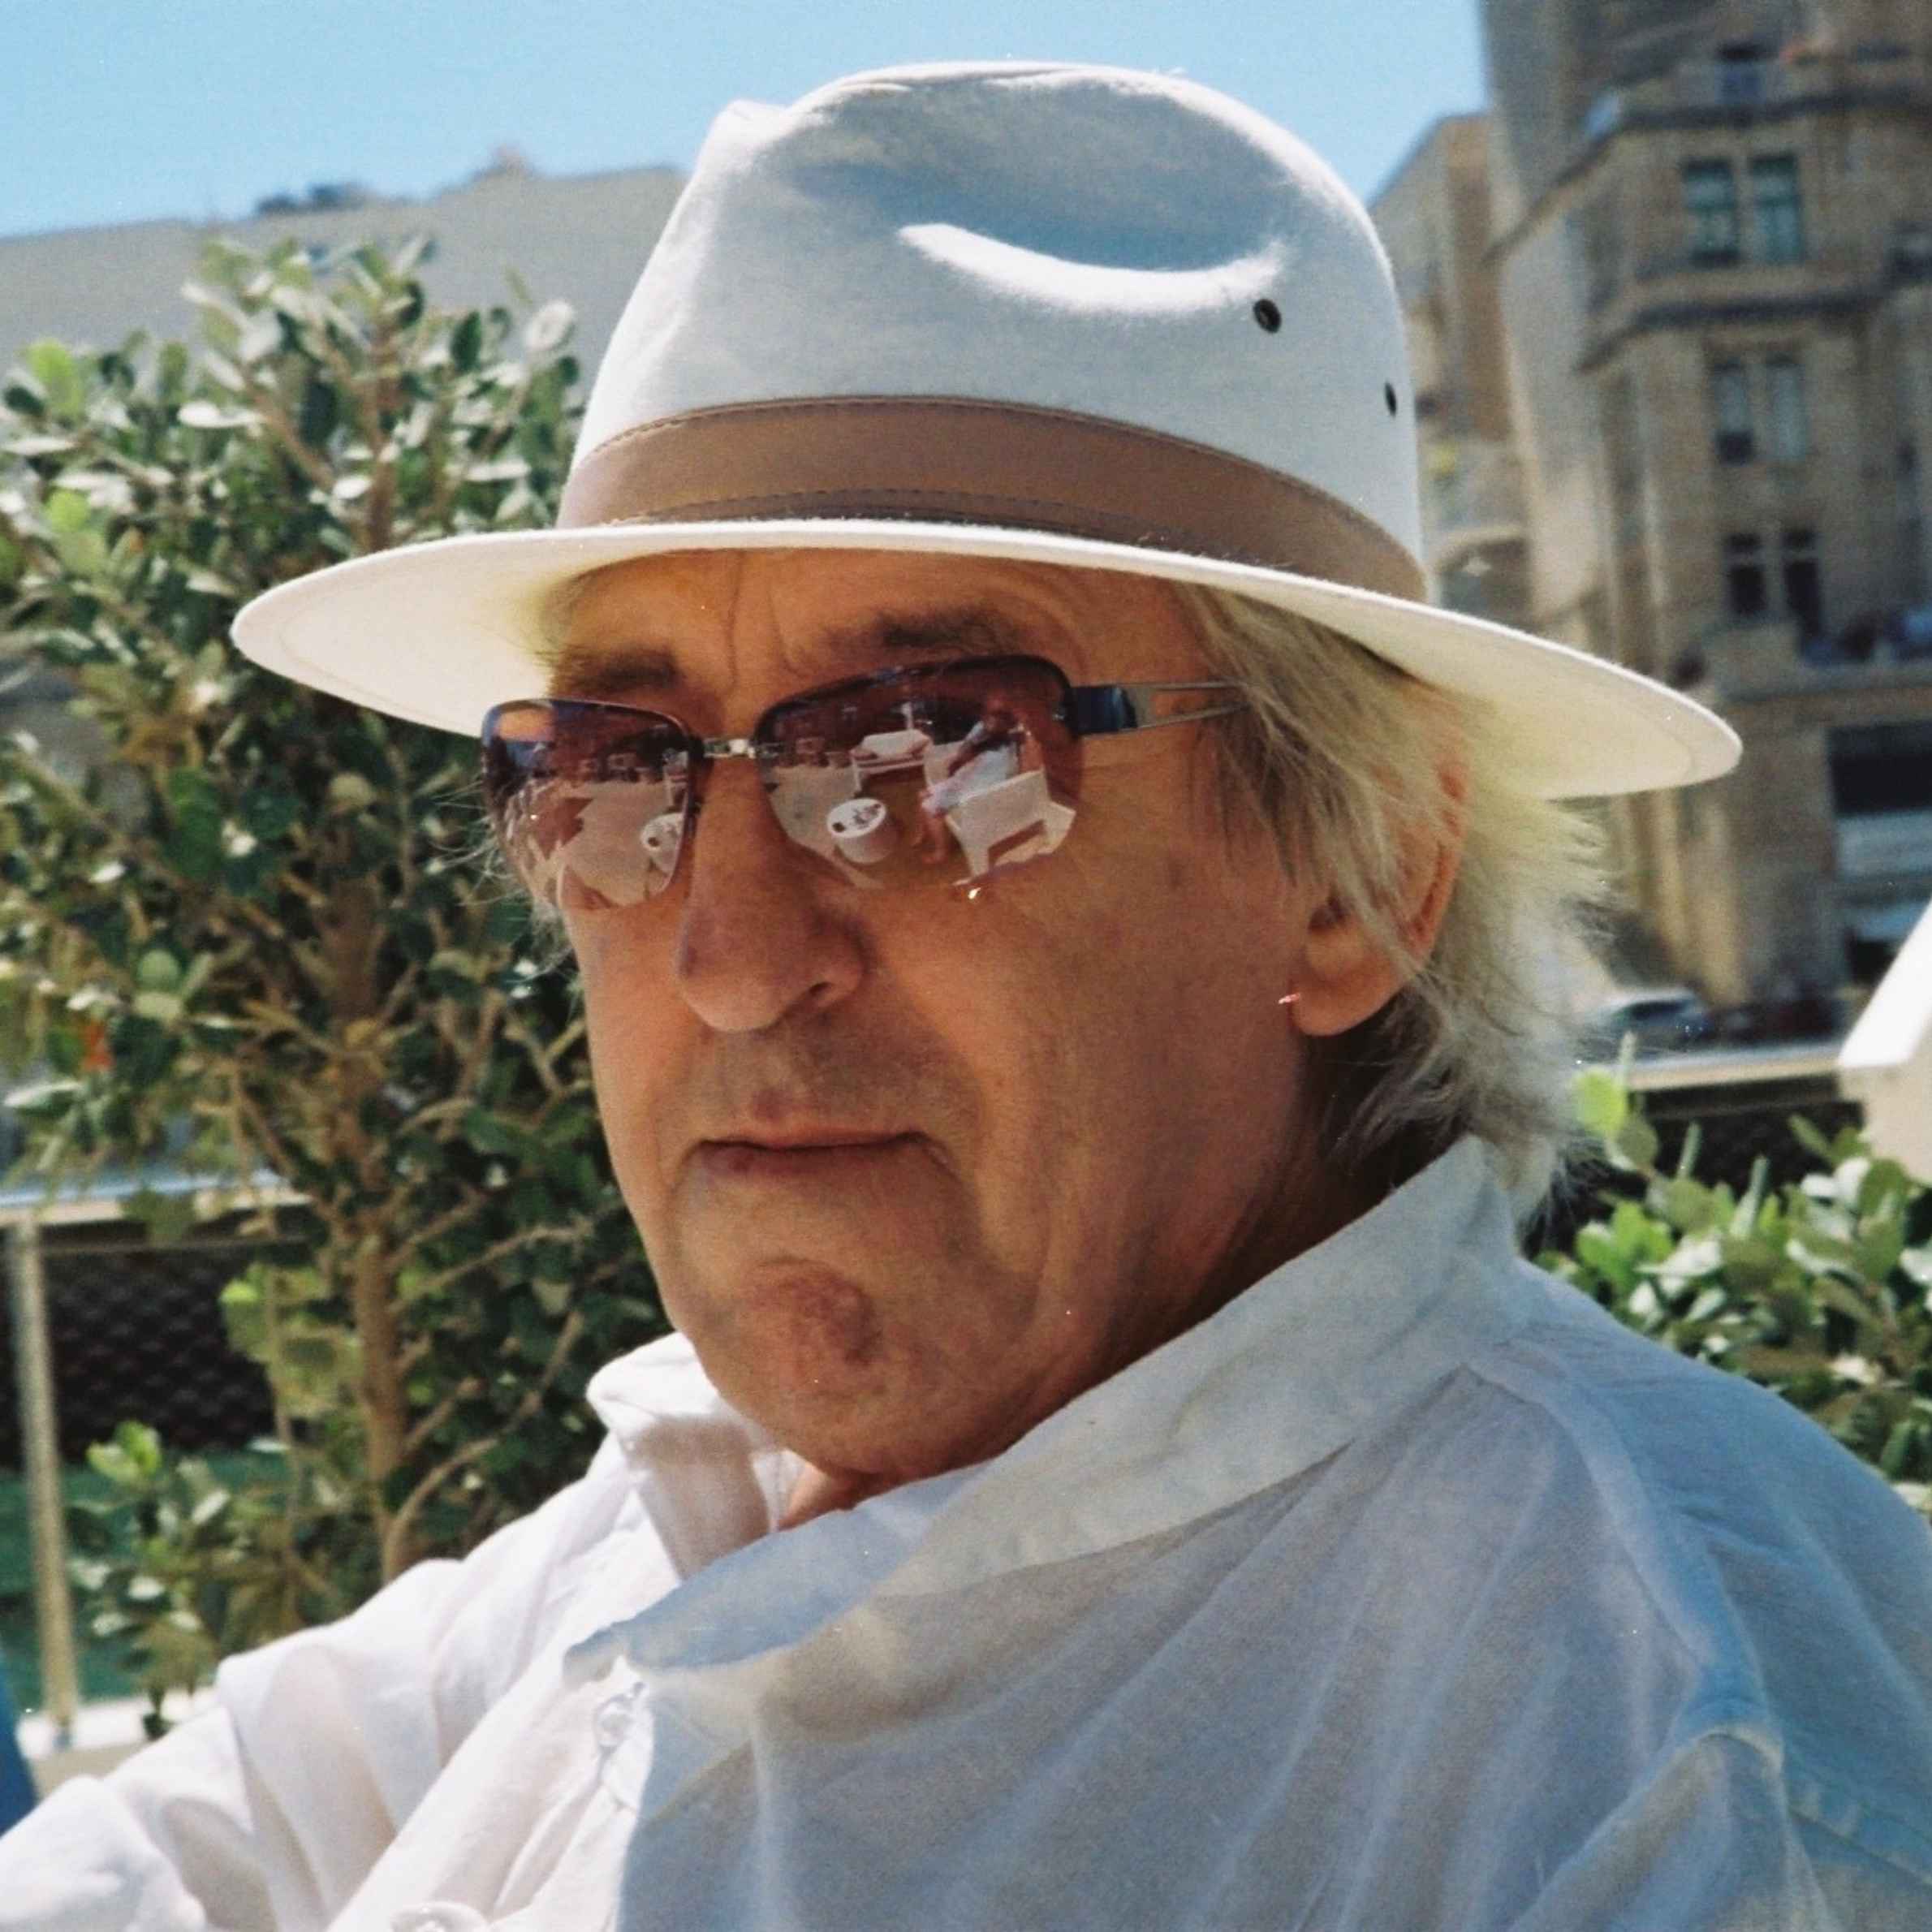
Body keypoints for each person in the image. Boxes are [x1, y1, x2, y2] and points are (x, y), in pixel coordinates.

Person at [4, 58, 1930, 1930]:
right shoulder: (673, 1513)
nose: (732, 956)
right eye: (613, 768)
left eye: (930, 755)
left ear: (1358, 874)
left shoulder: (1664, 1778)